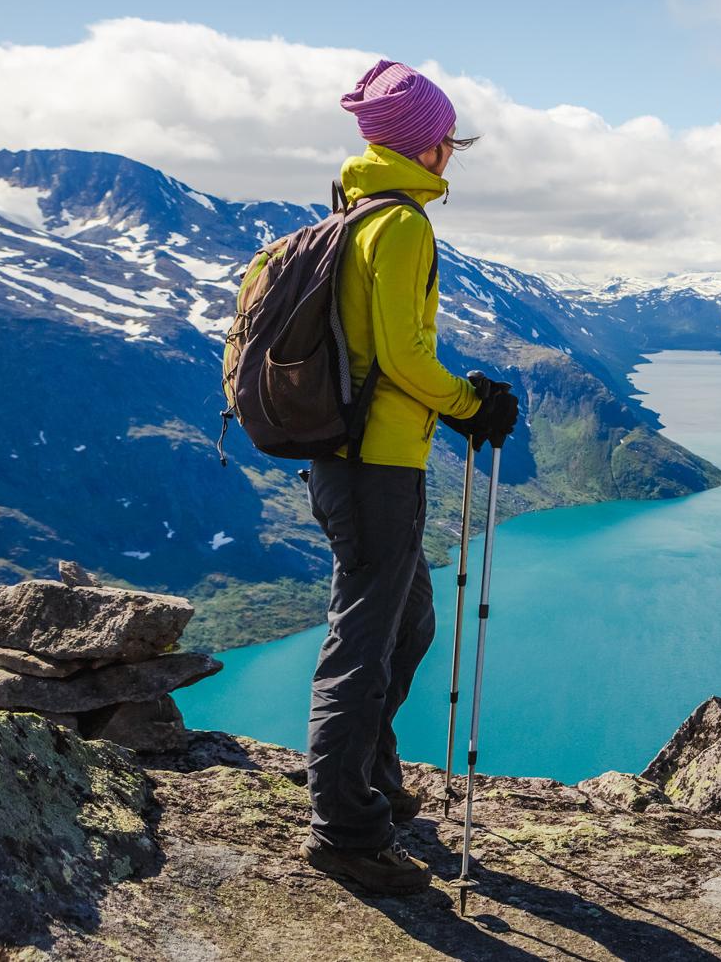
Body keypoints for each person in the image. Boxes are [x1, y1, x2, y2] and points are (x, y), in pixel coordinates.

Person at [300, 58, 519, 895]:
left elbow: (379, 351)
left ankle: (370, 778)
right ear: (424, 145)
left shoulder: (353, 212)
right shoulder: (399, 224)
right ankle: (344, 830)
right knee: (363, 643)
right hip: (376, 468)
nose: (452, 152)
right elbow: (401, 354)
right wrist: (469, 403)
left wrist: (454, 406)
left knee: (408, 623)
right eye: (447, 139)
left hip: (354, 462)